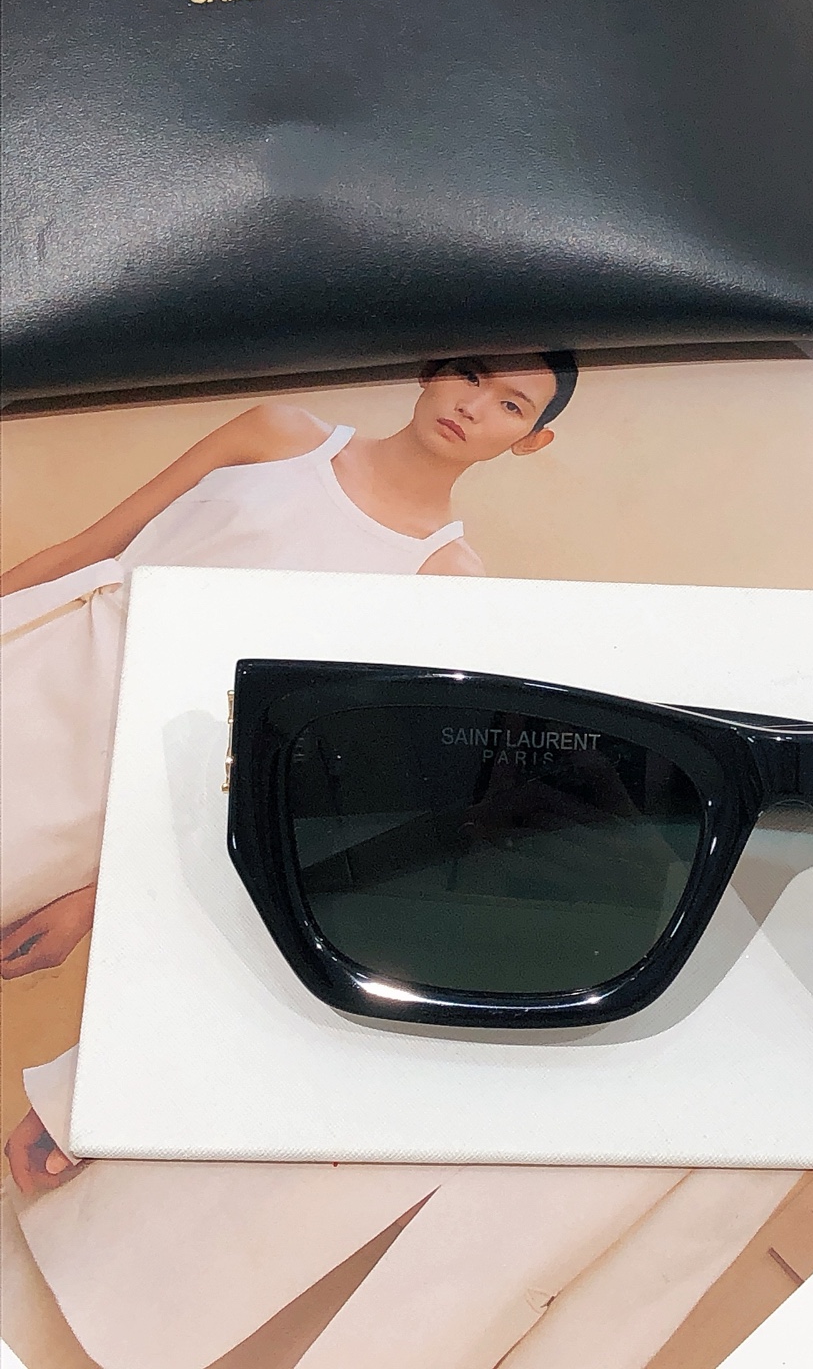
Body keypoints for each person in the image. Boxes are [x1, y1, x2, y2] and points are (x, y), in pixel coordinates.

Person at [0, 353, 578, 985]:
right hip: (34, 663)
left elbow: (276, 754)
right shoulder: (277, 434)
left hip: (114, 778)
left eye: (511, 405)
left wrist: (97, 895)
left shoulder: (445, 577)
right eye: (469, 376)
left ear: (531, 440)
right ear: (430, 372)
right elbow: (89, 548)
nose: (473, 405)